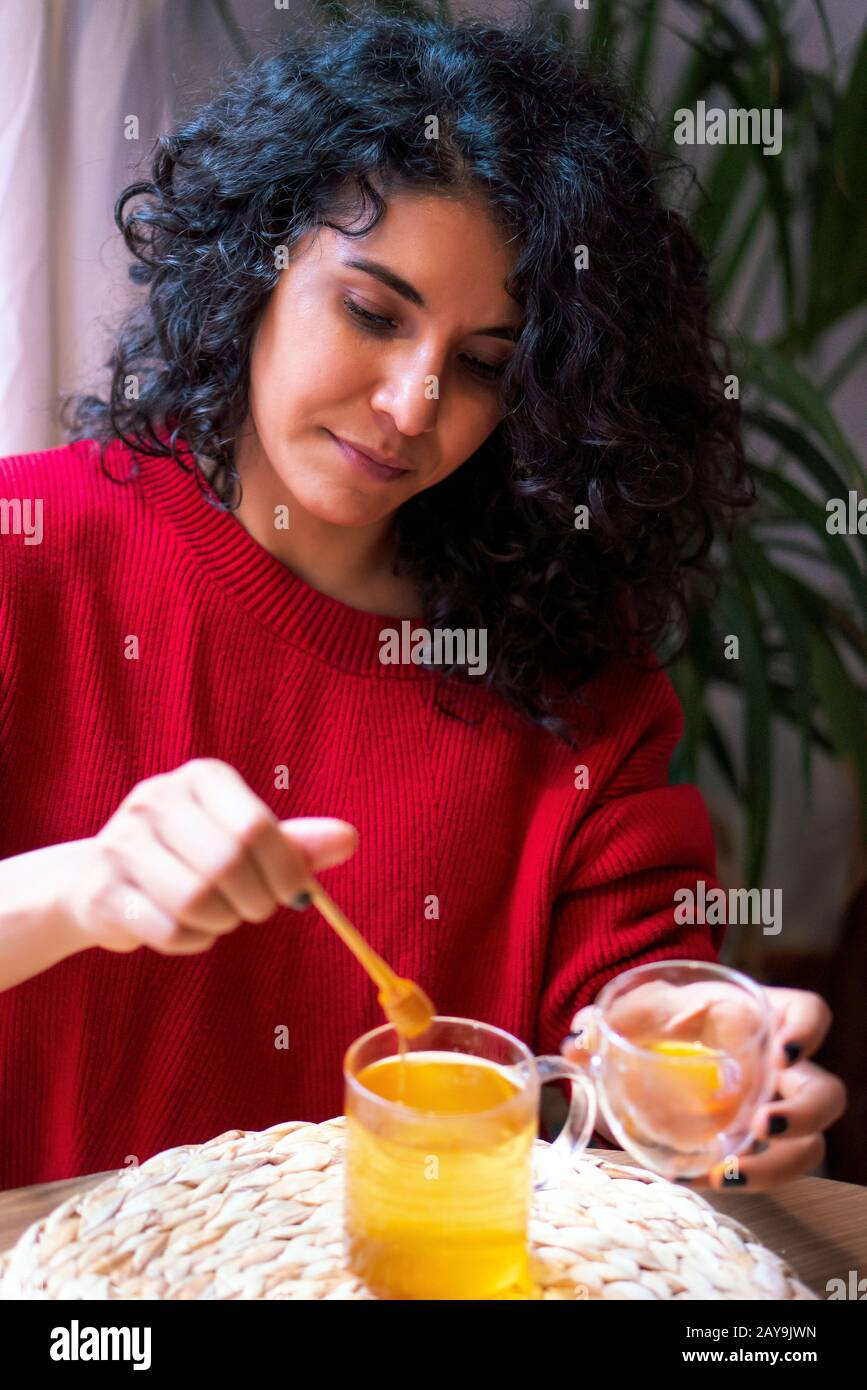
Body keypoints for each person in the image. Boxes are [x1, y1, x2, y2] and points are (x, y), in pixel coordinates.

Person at [0, 12, 846, 1193]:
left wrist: (690, 1088)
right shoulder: (24, 554)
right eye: (374, 311)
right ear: (255, 260)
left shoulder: (574, 676)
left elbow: (631, 1026)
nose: (411, 403)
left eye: (486, 362)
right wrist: (78, 890)